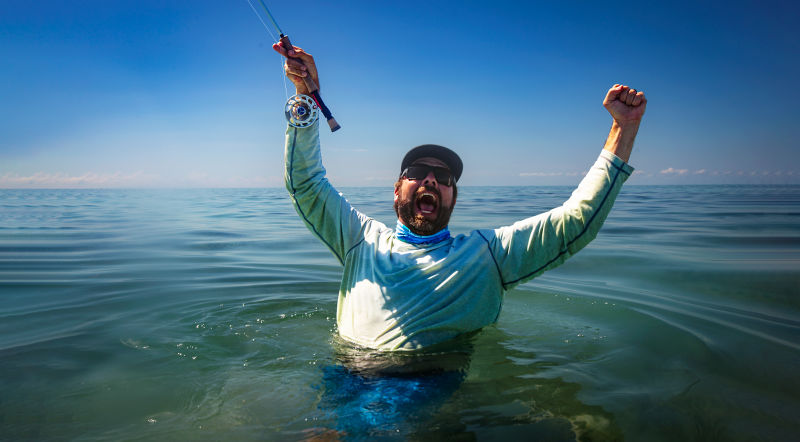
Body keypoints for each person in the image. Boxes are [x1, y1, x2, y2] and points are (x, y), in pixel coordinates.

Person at [273, 43, 646, 351]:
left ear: (453, 195)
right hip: (345, 386)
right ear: (397, 188)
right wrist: (305, 98)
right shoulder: (359, 238)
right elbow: (306, 184)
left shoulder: (487, 256)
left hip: (431, 399)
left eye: (444, 177)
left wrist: (622, 129)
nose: (431, 181)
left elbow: (574, 223)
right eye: (418, 173)